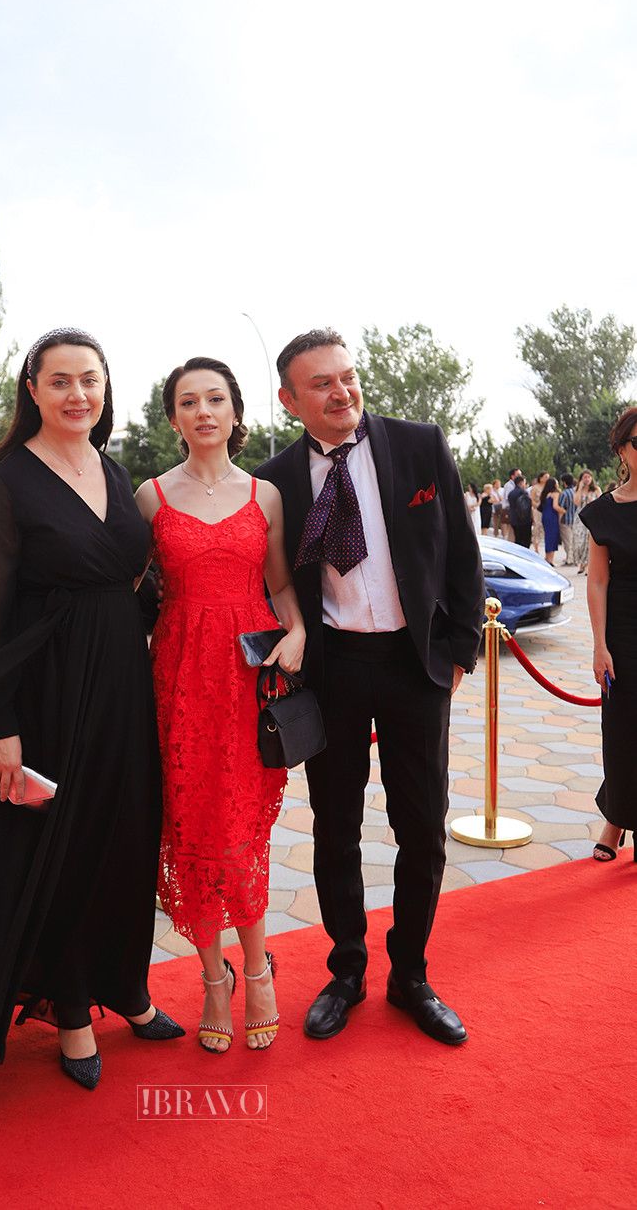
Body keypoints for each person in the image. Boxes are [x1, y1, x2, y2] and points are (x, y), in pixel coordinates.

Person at [0, 328, 181, 1119]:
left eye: (90, 379)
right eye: (60, 381)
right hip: (45, 697)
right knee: (58, 852)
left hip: (121, 687)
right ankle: (73, 1010)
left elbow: (127, 582)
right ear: (32, 390)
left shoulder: (112, 470)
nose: (78, 394)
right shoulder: (9, 481)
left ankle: (127, 986)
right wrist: (1, 725)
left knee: (121, 837)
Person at [256, 328, 484, 1046]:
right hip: (333, 671)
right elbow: (269, 581)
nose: (341, 392)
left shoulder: (419, 445)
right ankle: (347, 970)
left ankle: (410, 973)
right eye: (321, 384)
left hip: (416, 666)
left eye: (347, 376)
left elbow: (462, 553)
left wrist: (458, 652)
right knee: (336, 829)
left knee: (423, 827)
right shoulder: (276, 480)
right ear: (289, 400)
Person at [135, 357, 305, 1053]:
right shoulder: (149, 497)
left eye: (215, 399)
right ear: (173, 418)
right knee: (189, 826)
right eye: (188, 401)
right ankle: (213, 977)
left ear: (236, 412)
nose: (203, 411)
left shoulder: (266, 496)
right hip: (178, 677)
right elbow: (125, 590)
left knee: (240, 830)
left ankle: (257, 969)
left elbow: (282, 586)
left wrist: (297, 632)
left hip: (247, 677)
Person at [581, 408, 637, 862]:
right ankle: (616, 818)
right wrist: (599, 645)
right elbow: (597, 581)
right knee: (620, 733)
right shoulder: (603, 513)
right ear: (621, 450)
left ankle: (619, 821)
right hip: (623, 633)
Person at [573, 471, 601, 574]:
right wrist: (580, 488)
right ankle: (582, 564)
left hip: (592, 517)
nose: (587, 479)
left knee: (589, 542)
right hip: (580, 518)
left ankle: (588, 566)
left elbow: (601, 503)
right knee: (580, 541)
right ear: (581, 479)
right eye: (585, 477)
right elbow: (576, 502)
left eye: (589, 477)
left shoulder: (596, 489)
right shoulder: (578, 489)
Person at [540, 476, 563, 564]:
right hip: (552, 516)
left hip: (545, 515)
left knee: (548, 536)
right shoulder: (555, 493)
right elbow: (555, 506)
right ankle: (550, 560)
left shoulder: (545, 494)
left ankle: (547, 557)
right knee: (553, 537)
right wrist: (564, 511)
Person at [508, 474, 533, 548]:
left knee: (517, 539)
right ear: (521, 483)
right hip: (523, 520)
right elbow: (526, 507)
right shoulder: (523, 493)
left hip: (514, 519)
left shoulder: (511, 493)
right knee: (525, 541)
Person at [558, 473, 576, 565]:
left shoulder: (564, 493)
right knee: (574, 541)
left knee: (567, 541)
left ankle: (570, 559)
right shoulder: (576, 491)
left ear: (564, 482)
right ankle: (574, 558)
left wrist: (558, 521)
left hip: (566, 520)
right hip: (575, 520)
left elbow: (561, 508)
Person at [500, 467, 522, 541]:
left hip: (513, 509)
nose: (520, 476)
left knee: (513, 530)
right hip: (509, 509)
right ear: (512, 476)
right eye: (518, 474)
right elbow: (509, 498)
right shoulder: (509, 485)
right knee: (511, 530)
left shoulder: (516, 485)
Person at [530, 472, 549, 552]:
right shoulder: (535, 488)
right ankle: (536, 546)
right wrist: (537, 506)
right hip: (537, 510)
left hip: (547, 509)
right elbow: (531, 499)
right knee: (537, 526)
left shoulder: (548, 488)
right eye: (545, 477)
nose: (547, 479)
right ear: (541, 478)